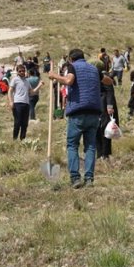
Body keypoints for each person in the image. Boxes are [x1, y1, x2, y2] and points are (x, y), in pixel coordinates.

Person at [48, 48, 106, 188]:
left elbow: (69, 80)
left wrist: (54, 76)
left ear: (71, 59)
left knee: (72, 145)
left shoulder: (72, 67)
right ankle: (89, 179)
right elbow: (108, 81)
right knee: (90, 147)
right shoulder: (93, 69)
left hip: (78, 112)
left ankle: (75, 178)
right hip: (94, 113)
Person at [8, 63, 33, 140]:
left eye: (23, 71)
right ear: (17, 72)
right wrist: (11, 101)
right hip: (17, 103)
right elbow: (10, 91)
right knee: (17, 122)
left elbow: (32, 92)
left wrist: (39, 85)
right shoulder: (15, 80)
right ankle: (14, 139)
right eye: (20, 71)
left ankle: (22, 139)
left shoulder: (27, 81)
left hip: (26, 104)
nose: (22, 72)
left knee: (25, 124)